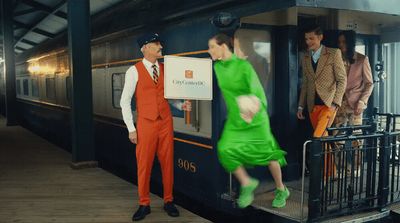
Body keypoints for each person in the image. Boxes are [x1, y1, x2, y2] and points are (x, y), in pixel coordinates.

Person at [208, 33, 289, 208]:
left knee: (268, 155)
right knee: (225, 149)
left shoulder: (244, 66)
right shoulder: (218, 68)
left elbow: (258, 94)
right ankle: (246, 183)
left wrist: (250, 110)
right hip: (235, 119)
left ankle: (281, 188)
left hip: (255, 117)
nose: (209, 51)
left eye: (212, 46)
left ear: (223, 47)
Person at [120, 32, 190, 221]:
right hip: (146, 124)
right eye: (156, 44)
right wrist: (131, 128)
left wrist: (180, 105)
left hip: (165, 122)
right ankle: (144, 204)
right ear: (145, 48)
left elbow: (169, 95)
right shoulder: (133, 71)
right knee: (144, 165)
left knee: (168, 163)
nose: (160, 47)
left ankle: (168, 201)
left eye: (160, 43)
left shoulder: (165, 68)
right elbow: (124, 101)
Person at [296, 25, 347, 178]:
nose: (308, 41)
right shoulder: (305, 57)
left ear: (320, 37)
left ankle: (321, 178)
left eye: (311, 38)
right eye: (306, 39)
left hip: (328, 105)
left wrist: (335, 103)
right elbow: (305, 83)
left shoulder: (333, 53)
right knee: (323, 140)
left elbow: (342, 80)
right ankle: (331, 172)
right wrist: (300, 106)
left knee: (317, 138)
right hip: (312, 106)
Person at [334, 30, 373, 175]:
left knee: (357, 139)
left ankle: (356, 168)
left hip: (356, 105)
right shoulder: (336, 58)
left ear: (350, 43)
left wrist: (362, 101)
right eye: (339, 42)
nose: (341, 45)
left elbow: (370, 83)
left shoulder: (362, 59)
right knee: (338, 138)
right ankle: (340, 169)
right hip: (338, 104)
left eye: (344, 42)